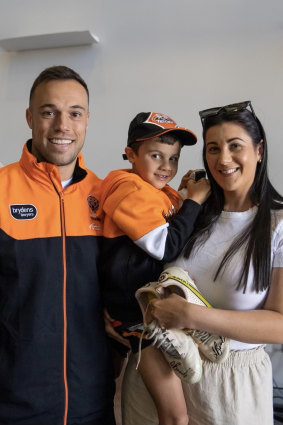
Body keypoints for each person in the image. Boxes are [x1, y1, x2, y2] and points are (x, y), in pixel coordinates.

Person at [122, 100, 283, 425]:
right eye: (213, 149)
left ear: (259, 150)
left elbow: (280, 324)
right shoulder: (190, 210)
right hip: (155, 375)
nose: (223, 159)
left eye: (235, 146)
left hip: (229, 389)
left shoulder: (277, 223)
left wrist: (192, 315)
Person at [0, 66, 116, 425]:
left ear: (87, 120)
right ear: (30, 117)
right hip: (13, 406)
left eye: (74, 113)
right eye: (49, 112)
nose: (63, 125)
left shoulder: (109, 196)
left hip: (93, 404)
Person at [99, 111, 211, 425]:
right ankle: (193, 335)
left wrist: (187, 193)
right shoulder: (130, 191)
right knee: (176, 416)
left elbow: (170, 217)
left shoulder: (150, 191)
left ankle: (196, 333)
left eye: (173, 159)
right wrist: (195, 201)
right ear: (131, 154)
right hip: (137, 317)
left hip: (139, 310)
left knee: (111, 394)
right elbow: (165, 245)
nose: (166, 167)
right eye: (155, 156)